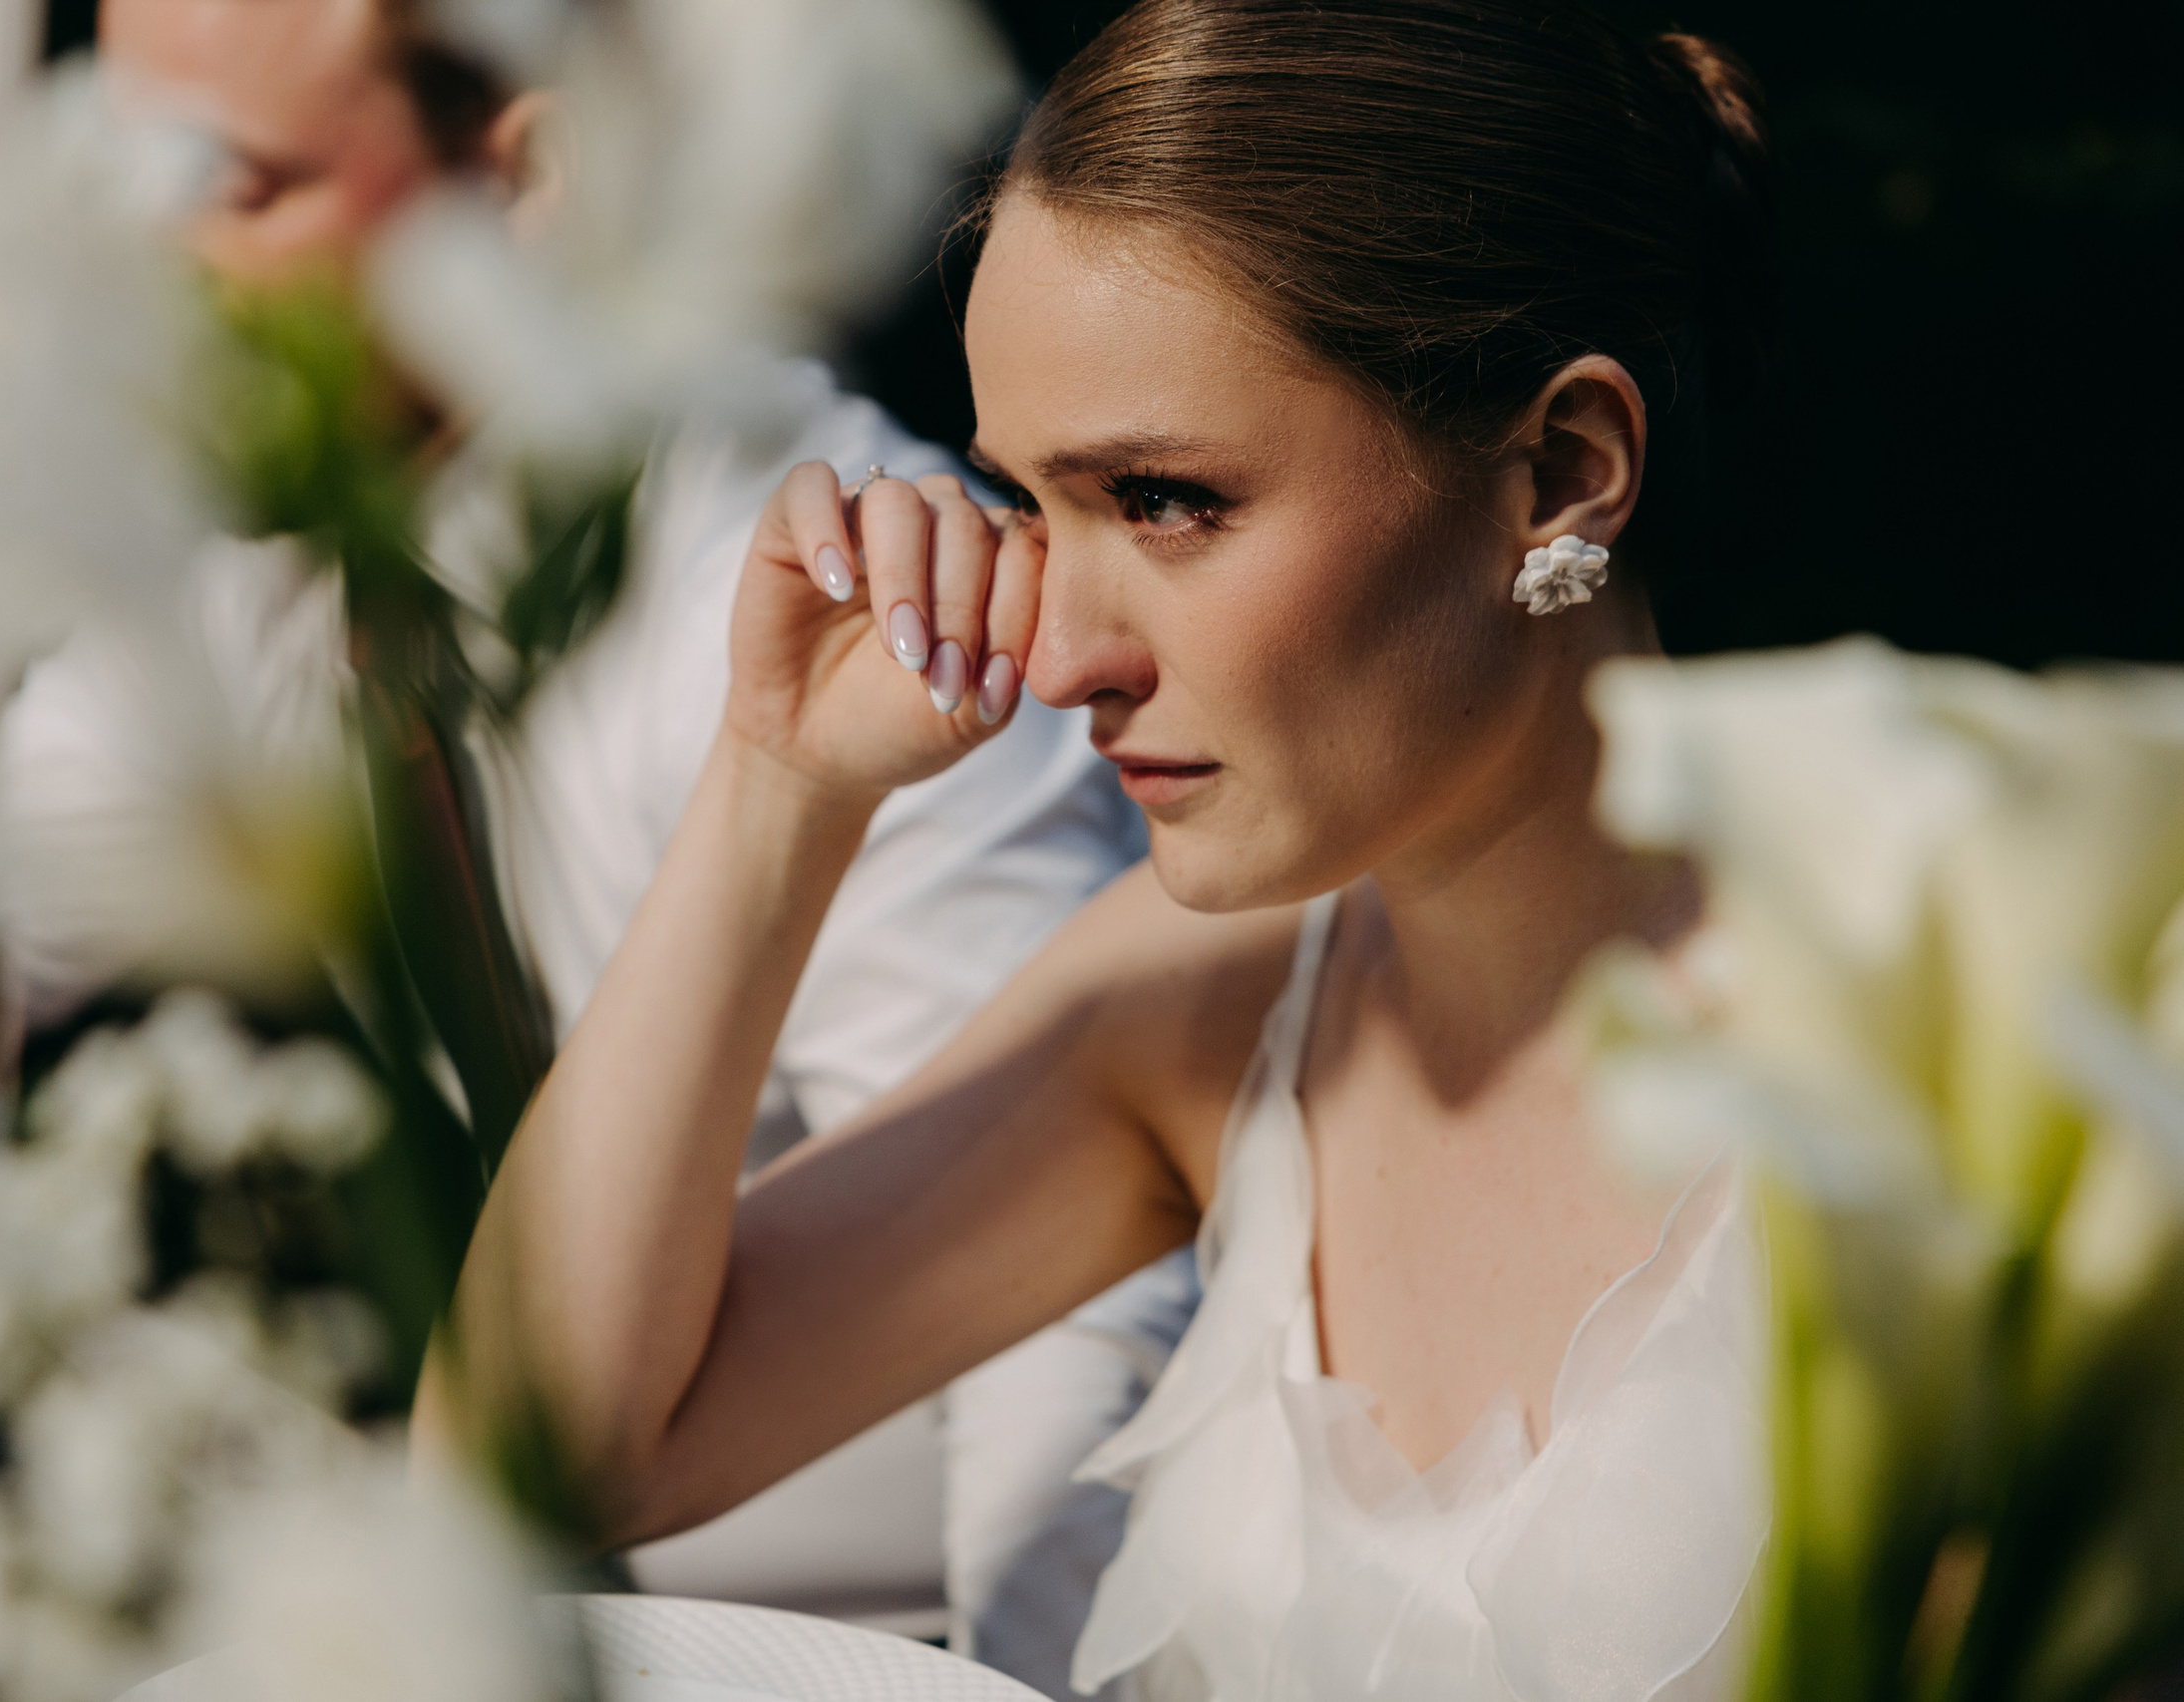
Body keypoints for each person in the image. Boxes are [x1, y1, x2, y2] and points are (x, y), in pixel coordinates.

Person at [422, 2, 1779, 1699]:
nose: (1061, 653)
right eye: (1031, 505)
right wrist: (782, 784)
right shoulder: (1192, 1010)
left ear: (1561, 472)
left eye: (1162, 501)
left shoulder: (1954, 1030)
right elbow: (523, 1474)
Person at [88, 0, 1183, 1681]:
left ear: (524, 174)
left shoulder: (856, 594)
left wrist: (1011, 1682)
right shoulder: (262, 537)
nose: (145, 259)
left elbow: (1065, 1346)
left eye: (234, 185)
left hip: (872, 1636)